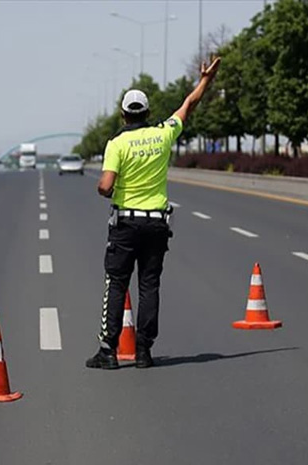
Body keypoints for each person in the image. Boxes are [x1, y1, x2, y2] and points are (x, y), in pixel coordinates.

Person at [86, 56, 221, 370]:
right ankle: (144, 351)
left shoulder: (117, 144)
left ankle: (108, 350)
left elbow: (105, 186)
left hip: (125, 224)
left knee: (117, 283)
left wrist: (108, 186)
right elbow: (189, 105)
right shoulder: (163, 135)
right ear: (147, 112)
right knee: (149, 285)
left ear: (123, 114)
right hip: (157, 225)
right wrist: (206, 80)